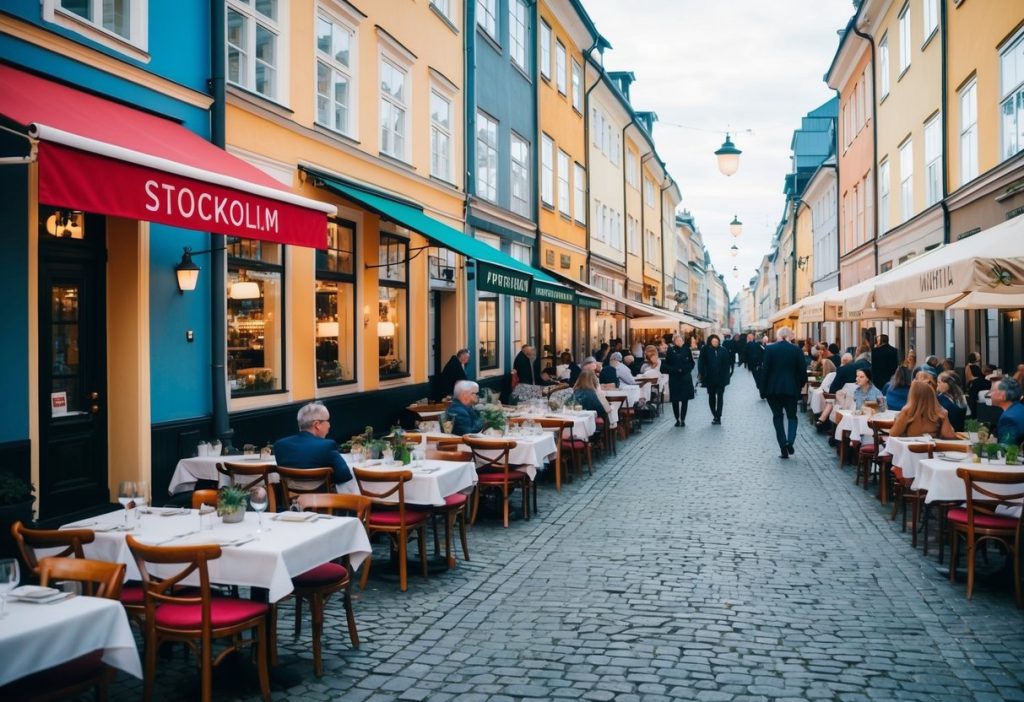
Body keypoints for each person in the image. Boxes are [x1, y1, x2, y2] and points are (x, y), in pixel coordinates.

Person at [273, 402, 352, 485]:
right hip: (321, 497)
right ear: (317, 424)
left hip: (291, 496)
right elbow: (344, 476)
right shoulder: (327, 445)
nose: (329, 425)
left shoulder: (279, 445)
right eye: (327, 421)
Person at [760, 327, 807, 459]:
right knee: (792, 416)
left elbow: (765, 371)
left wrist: (762, 390)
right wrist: (799, 386)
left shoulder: (770, 349)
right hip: (791, 389)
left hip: (773, 390)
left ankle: (783, 447)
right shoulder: (796, 350)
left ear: (779, 336)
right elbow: (802, 372)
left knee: (777, 417)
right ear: (791, 336)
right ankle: (790, 441)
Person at [888, 380, 957, 439]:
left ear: (912, 395)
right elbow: (949, 436)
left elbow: (893, 434)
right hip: (932, 452)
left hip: (910, 451)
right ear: (932, 396)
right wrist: (945, 417)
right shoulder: (939, 412)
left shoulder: (907, 411)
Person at [698, 333, 732, 425]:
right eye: (713, 341)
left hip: (721, 379)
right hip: (710, 378)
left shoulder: (723, 350)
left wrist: (727, 376)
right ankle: (714, 414)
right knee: (711, 397)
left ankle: (719, 416)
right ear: (710, 342)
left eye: (716, 341)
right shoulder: (705, 350)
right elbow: (701, 362)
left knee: (720, 397)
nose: (715, 343)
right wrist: (702, 373)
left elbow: (727, 364)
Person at [664, 334, 695, 427]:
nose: (679, 342)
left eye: (680, 340)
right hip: (674, 378)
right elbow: (666, 364)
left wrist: (686, 369)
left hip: (685, 378)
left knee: (685, 399)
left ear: (683, 341)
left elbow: (691, 363)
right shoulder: (670, 350)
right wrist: (674, 369)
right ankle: (677, 419)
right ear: (674, 341)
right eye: (677, 340)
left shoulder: (687, 350)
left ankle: (683, 419)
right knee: (675, 400)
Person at [992, 377, 1024, 446]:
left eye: (992, 391)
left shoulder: (1008, 419)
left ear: (1002, 396)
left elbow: (1005, 449)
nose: (990, 394)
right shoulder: (1020, 408)